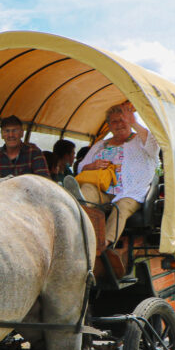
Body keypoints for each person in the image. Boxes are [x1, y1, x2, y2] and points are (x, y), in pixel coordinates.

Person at [66, 101, 159, 275]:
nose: (119, 124)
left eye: (123, 120)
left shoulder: (140, 139)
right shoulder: (101, 144)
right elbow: (81, 167)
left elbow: (153, 148)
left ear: (130, 121)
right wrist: (92, 165)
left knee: (120, 208)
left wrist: (134, 122)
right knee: (86, 192)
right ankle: (78, 237)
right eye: (114, 122)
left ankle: (103, 245)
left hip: (130, 191)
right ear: (109, 125)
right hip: (103, 190)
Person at [0, 116, 50, 180]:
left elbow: (44, 183)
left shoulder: (34, 154)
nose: (11, 135)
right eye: (7, 131)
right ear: (2, 134)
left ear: (22, 133)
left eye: (15, 131)